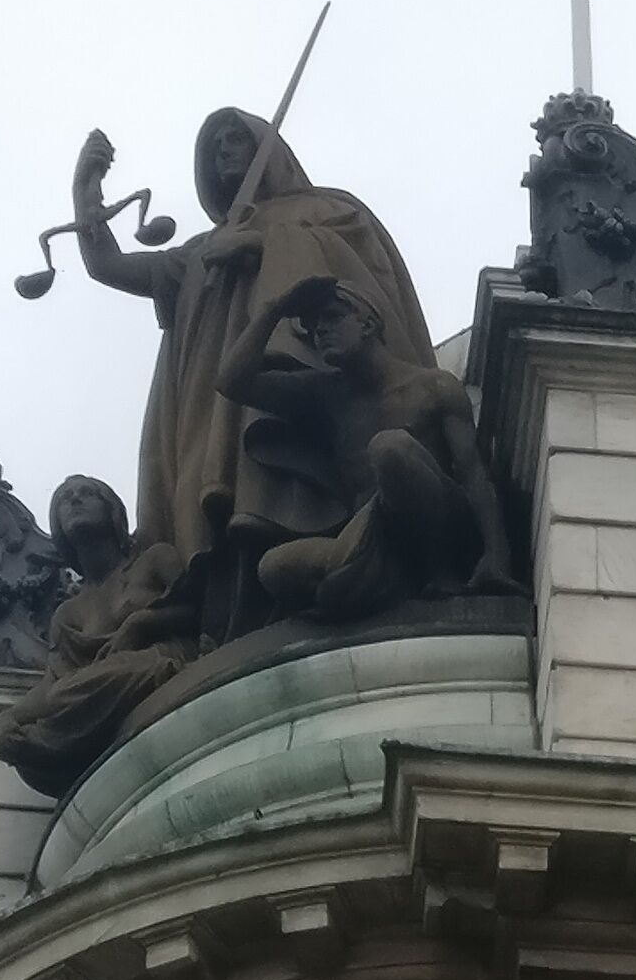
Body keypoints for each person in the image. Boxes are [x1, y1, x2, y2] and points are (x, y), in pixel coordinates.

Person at [64, 108, 438, 631]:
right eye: (213, 145)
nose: (222, 150)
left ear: (269, 147)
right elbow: (110, 266)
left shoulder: (330, 208)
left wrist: (265, 245)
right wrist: (86, 194)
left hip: (303, 387)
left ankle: (332, 571)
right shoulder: (200, 250)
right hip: (219, 404)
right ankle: (235, 618)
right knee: (226, 503)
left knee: (288, 479)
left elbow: (366, 277)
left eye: (235, 137)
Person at [212, 272, 515, 626]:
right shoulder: (327, 395)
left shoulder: (434, 386)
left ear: (368, 323)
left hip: (444, 530)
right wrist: (273, 309)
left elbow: (472, 472)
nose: (319, 331)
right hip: (374, 538)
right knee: (274, 567)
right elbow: (232, 382)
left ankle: (439, 575)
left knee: (391, 448)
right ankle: (388, 585)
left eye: (332, 318)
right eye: (312, 326)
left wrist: (497, 554)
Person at [0, 478, 196, 797]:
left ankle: (68, 738)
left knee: (77, 692)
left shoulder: (155, 559)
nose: (74, 501)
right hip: (100, 683)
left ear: (112, 510)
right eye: (64, 500)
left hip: (165, 661)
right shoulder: (68, 613)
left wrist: (140, 623)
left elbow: (201, 606)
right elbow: (55, 682)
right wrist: (8, 718)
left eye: (87, 494)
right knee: (52, 710)